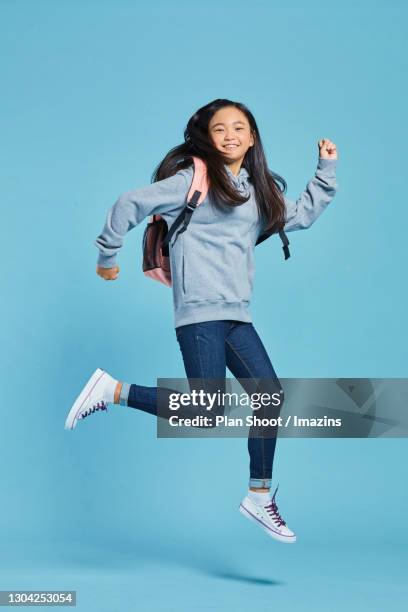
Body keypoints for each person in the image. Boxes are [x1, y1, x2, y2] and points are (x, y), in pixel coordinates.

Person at [64, 98, 338, 544]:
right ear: (207, 138)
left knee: (269, 397)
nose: (230, 134)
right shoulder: (192, 179)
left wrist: (324, 171)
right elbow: (129, 203)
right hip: (198, 312)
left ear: (252, 138)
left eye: (239, 127)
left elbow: (300, 215)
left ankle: (258, 496)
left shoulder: (255, 189)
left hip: (236, 314)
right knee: (205, 410)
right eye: (220, 129)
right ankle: (112, 391)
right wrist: (106, 254)